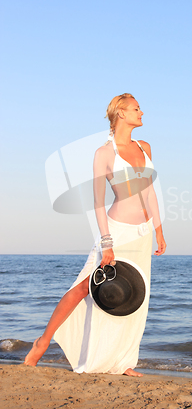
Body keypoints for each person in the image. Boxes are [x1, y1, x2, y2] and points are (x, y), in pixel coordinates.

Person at [24, 93, 166, 376]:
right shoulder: (104, 153)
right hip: (116, 232)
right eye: (137, 109)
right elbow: (98, 202)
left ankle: (123, 361)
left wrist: (159, 230)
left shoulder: (145, 146)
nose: (142, 113)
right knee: (83, 286)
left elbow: (150, 192)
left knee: (133, 296)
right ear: (121, 114)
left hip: (142, 235)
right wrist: (107, 243)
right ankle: (42, 342)